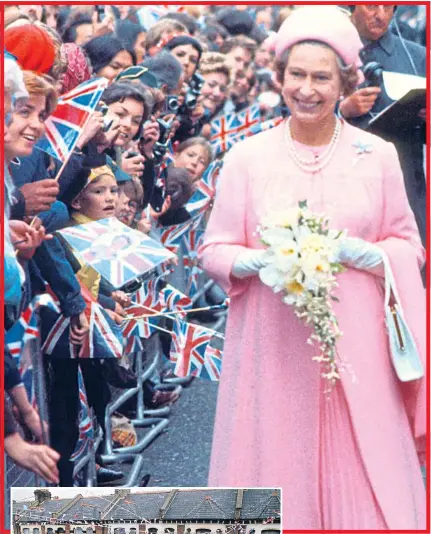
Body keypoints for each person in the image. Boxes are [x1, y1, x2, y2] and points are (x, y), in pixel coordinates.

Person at [199, 6, 426, 530]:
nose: (307, 89)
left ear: (345, 80)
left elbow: (408, 245)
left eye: (322, 77)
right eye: (296, 75)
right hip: (275, 349)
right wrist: (255, 260)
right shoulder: (247, 158)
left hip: (361, 349)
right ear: (278, 78)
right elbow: (214, 250)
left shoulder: (378, 154)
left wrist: (373, 256)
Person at [340, 5, 426, 245]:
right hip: (344, 185)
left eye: (388, 7)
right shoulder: (329, 52)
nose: (380, 15)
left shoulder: (418, 57)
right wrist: (343, 110)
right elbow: (294, 115)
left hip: (405, 185)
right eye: (371, 6)